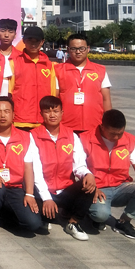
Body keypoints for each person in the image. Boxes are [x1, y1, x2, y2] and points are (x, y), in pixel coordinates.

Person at [0, 97, 43, 242]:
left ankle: (2, 215)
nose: (3, 115)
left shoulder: (25, 137)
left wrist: (29, 194)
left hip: (15, 187)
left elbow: (28, 167)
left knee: (33, 224)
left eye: (6, 111)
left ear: (13, 114)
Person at [31, 96, 96, 241]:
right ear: (41, 114)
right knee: (36, 218)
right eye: (47, 111)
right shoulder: (33, 136)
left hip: (65, 189)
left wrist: (88, 174)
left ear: (62, 113)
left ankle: (73, 223)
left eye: (56, 111)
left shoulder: (71, 136)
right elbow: (36, 172)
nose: (52, 115)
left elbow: (79, 165)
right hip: (43, 190)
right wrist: (47, 198)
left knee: (89, 184)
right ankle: (48, 216)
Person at [80, 109, 135, 239]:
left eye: (120, 133)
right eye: (113, 134)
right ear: (102, 127)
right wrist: (92, 188)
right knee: (100, 215)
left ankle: (124, 221)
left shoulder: (129, 140)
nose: (117, 138)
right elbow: (79, 167)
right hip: (97, 188)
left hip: (120, 186)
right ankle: (90, 214)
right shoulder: (85, 139)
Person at [54, 32, 112, 134]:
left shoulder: (100, 70)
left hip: (94, 125)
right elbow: (54, 98)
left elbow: (106, 99)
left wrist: (109, 123)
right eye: (73, 49)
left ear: (88, 49)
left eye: (82, 48)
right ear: (68, 49)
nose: (78, 52)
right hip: (66, 126)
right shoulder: (58, 70)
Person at [7, 26, 56, 129]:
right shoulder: (13, 63)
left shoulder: (49, 65)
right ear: (24, 41)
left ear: (42, 42)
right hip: (20, 121)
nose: (33, 44)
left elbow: (53, 94)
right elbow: (9, 93)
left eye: (36, 41)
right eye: (30, 40)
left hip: (44, 120)